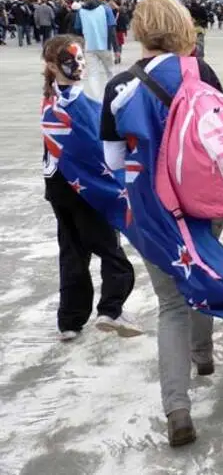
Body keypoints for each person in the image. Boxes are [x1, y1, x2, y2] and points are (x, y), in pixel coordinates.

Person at [99, 0, 223, 447]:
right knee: (202, 285)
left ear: (139, 28)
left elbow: (113, 163)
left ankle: (177, 410)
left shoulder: (118, 87)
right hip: (203, 207)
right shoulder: (203, 73)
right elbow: (221, 143)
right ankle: (204, 356)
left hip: (153, 215)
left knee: (171, 305)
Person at [41, 35, 141, 342]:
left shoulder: (51, 99)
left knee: (72, 251)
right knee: (109, 249)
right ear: (52, 65)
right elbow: (94, 145)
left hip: (57, 185)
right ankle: (111, 308)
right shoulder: (73, 102)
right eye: (71, 60)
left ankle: (70, 320)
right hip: (84, 188)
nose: (79, 65)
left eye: (81, 58)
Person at [74, 0, 117, 98]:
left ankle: (96, 99)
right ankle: (112, 97)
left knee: (93, 74)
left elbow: (77, 28)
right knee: (110, 72)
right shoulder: (106, 9)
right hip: (105, 45)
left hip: (89, 46)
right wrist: (116, 49)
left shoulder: (81, 11)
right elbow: (112, 29)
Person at [113, 0, 130, 64]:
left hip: (114, 30)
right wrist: (125, 31)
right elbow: (126, 22)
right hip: (120, 31)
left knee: (115, 45)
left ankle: (116, 57)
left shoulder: (113, 12)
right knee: (119, 45)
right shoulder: (123, 14)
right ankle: (118, 56)